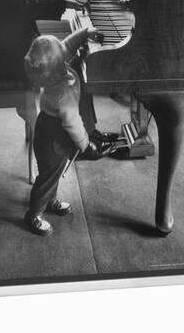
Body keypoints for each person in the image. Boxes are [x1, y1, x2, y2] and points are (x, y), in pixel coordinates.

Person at [23, 29, 114, 237]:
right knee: (47, 177)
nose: (65, 50)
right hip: (53, 139)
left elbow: (68, 46)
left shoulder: (54, 71)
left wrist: (85, 34)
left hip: (49, 131)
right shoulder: (61, 96)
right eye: (60, 50)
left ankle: (50, 201)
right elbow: (73, 124)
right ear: (57, 66)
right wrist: (86, 145)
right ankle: (34, 214)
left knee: (54, 173)